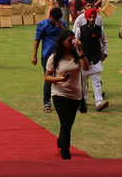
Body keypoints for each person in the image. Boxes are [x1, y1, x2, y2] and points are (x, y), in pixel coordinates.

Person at [44, 29, 90, 160]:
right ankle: (65, 153)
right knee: (66, 124)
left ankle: (61, 142)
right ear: (62, 42)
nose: (72, 43)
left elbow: (86, 67)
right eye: (70, 41)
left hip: (75, 95)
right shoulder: (54, 58)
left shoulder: (77, 55)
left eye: (73, 40)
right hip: (60, 94)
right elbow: (47, 77)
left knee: (68, 123)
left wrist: (80, 50)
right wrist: (59, 79)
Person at [32, 8, 67, 113]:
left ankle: (61, 101)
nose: (56, 21)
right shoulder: (42, 25)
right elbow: (37, 40)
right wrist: (34, 56)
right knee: (49, 79)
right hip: (47, 56)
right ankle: (47, 102)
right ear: (50, 17)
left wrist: (62, 28)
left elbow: (68, 37)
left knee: (61, 79)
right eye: (54, 19)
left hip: (60, 56)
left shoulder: (61, 23)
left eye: (58, 19)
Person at [75, 8, 109, 111]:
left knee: (97, 82)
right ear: (86, 18)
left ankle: (99, 102)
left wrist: (105, 53)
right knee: (83, 83)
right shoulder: (80, 30)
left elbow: (104, 41)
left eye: (93, 17)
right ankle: (83, 101)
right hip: (83, 59)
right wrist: (78, 56)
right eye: (90, 17)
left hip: (96, 58)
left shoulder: (99, 29)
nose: (92, 19)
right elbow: (75, 43)